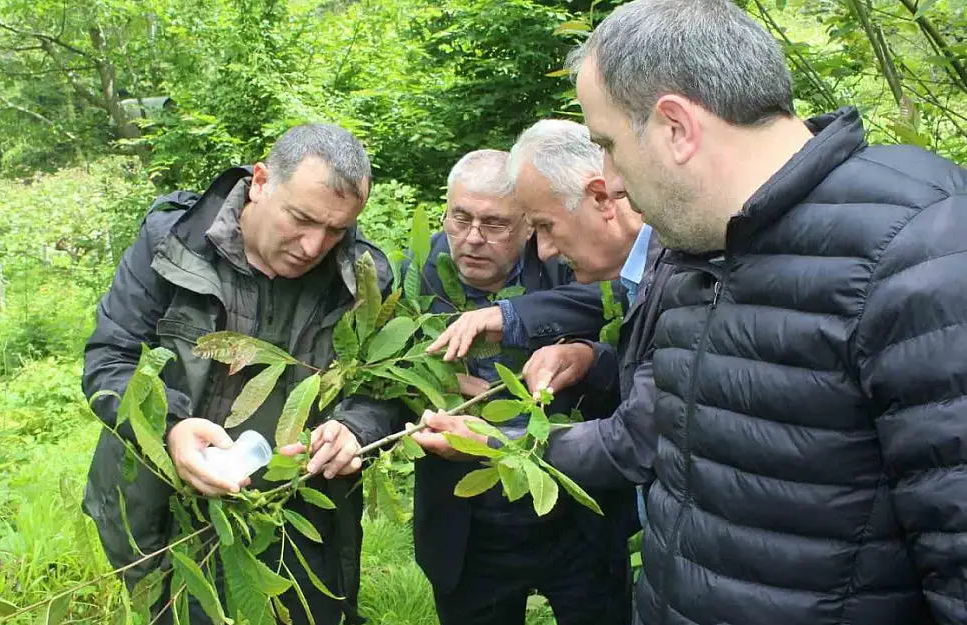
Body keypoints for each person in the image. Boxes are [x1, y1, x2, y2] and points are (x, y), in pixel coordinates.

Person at [447, 1, 967, 623]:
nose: (608, 181)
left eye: (608, 145)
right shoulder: (699, 251)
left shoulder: (921, 249)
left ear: (675, 128)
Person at [81, 123, 403, 625]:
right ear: (259, 182)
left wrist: (357, 429)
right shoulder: (172, 241)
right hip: (167, 515)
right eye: (301, 219)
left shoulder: (363, 280)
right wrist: (170, 429)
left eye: (337, 229)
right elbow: (110, 359)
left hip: (295, 519)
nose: (314, 245)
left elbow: (382, 389)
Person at [408, 149, 637, 625]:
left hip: (575, 515)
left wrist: (516, 322)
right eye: (460, 218)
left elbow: (618, 298)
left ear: (529, 224)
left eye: (494, 224)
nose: (472, 238)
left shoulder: (567, 256)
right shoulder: (422, 273)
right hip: (471, 522)